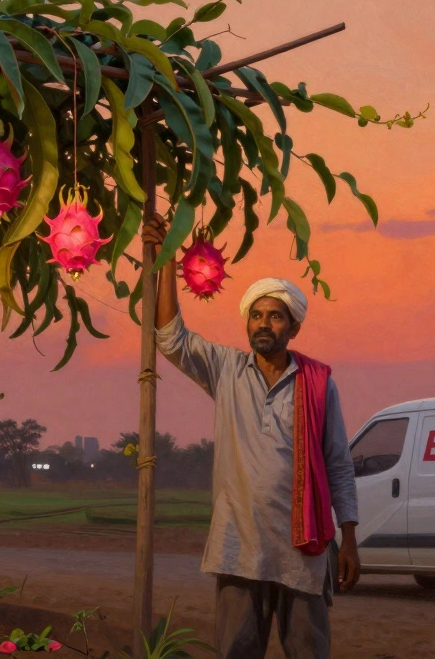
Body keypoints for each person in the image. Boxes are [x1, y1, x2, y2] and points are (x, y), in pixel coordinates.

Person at [143, 214, 360, 659]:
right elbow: (171, 339)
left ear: (293, 327)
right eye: (257, 315)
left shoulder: (318, 384)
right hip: (238, 547)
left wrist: (350, 538)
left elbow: (337, 462)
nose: (264, 324)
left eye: (275, 317)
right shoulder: (226, 370)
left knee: (308, 652)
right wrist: (166, 260)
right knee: (236, 652)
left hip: (304, 551)